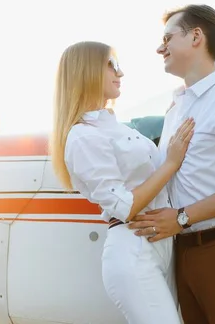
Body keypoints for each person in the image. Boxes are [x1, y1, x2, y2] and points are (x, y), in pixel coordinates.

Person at [128, 4, 215, 323]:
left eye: (167, 37)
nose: (159, 47)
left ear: (196, 37)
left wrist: (180, 217)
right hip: (184, 250)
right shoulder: (176, 107)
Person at [49, 41, 195, 324]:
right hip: (134, 249)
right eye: (111, 65)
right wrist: (171, 163)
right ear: (87, 71)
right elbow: (123, 206)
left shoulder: (113, 127)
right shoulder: (82, 137)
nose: (121, 73)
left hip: (161, 246)